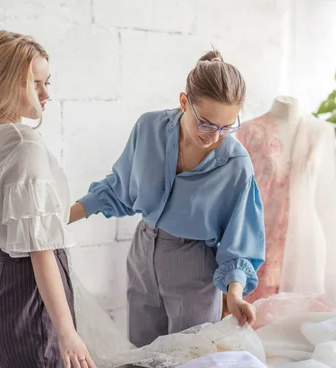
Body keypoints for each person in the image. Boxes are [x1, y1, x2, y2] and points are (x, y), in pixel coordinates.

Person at [70, 50, 266, 347]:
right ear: (184, 102)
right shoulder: (149, 128)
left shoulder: (236, 164)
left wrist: (234, 295)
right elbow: (119, 187)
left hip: (194, 266)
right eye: (207, 124)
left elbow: (239, 239)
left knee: (187, 364)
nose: (214, 137)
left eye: (227, 128)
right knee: (140, 357)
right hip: (142, 251)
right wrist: (60, 218)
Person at [0, 30, 100, 368]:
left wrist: (92, 204)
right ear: (7, 83)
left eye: (47, 82)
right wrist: (67, 333)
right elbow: (40, 249)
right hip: (28, 296)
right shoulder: (22, 142)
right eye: (35, 84)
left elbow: (25, 222)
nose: (46, 94)